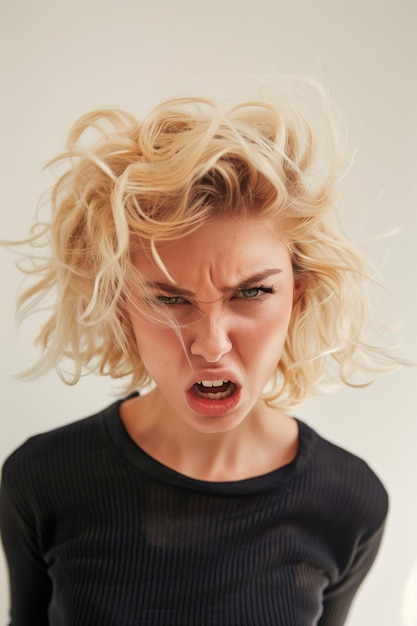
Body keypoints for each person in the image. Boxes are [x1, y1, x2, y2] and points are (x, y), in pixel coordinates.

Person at [0, 86, 402, 625]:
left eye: (252, 293)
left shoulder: (350, 502)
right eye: (169, 300)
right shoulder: (42, 479)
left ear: (297, 297)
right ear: (123, 307)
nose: (211, 344)